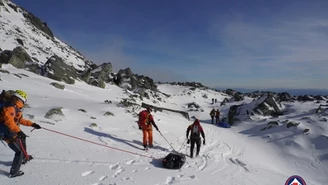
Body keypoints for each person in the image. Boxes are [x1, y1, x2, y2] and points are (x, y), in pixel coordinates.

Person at [0, 90, 41, 178]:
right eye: (23, 101)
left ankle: (23, 158)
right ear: (20, 99)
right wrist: (19, 131)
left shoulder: (15, 107)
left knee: (22, 139)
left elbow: (19, 120)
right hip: (6, 132)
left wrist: (32, 124)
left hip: (10, 130)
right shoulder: (9, 107)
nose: (24, 103)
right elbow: (9, 122)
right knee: (19, 151)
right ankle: (14, 172)